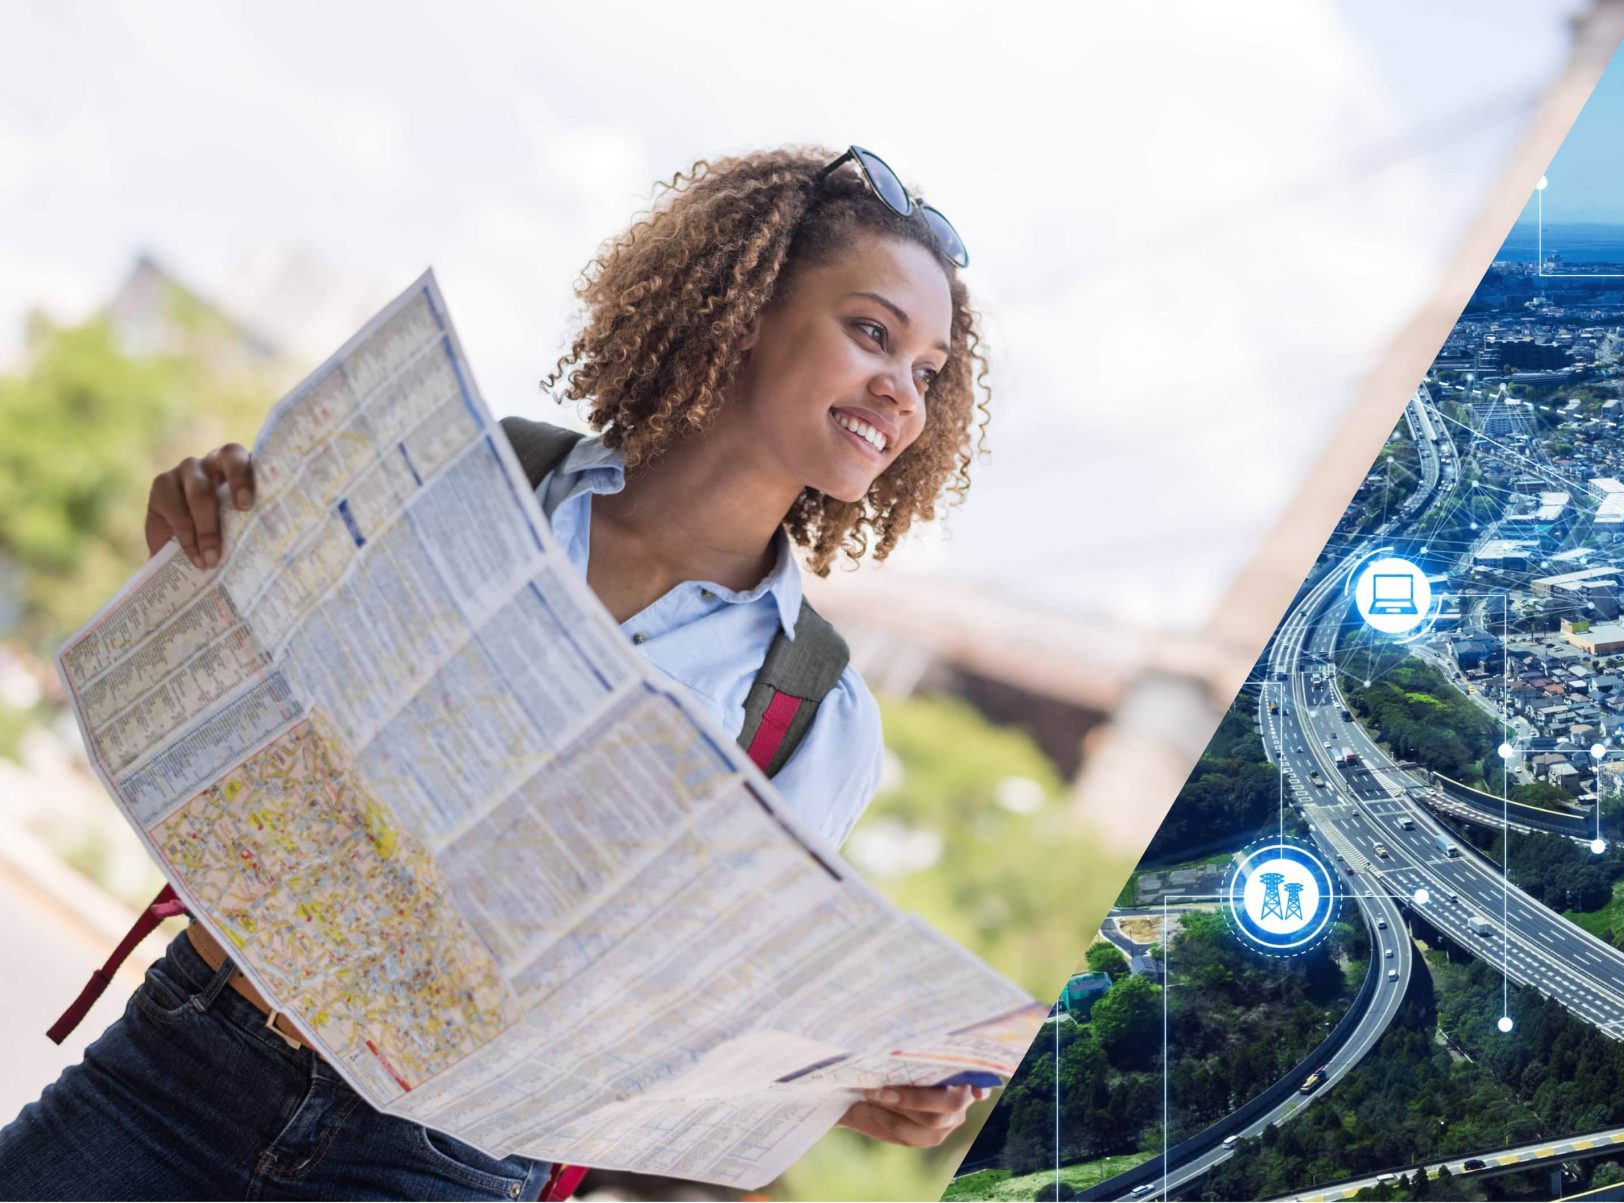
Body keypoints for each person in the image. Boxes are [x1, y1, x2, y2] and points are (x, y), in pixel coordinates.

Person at [1, 145, 991, 1200]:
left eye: (928, 372)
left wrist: (834, 1087)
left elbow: (689, 1022)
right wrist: (201, 551)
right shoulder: (465, 473)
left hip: (436, 1168)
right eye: (873, 332)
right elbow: (245, 713)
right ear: (750, 311)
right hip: (184, 1063)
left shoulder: (816, 714)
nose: (903, 391)